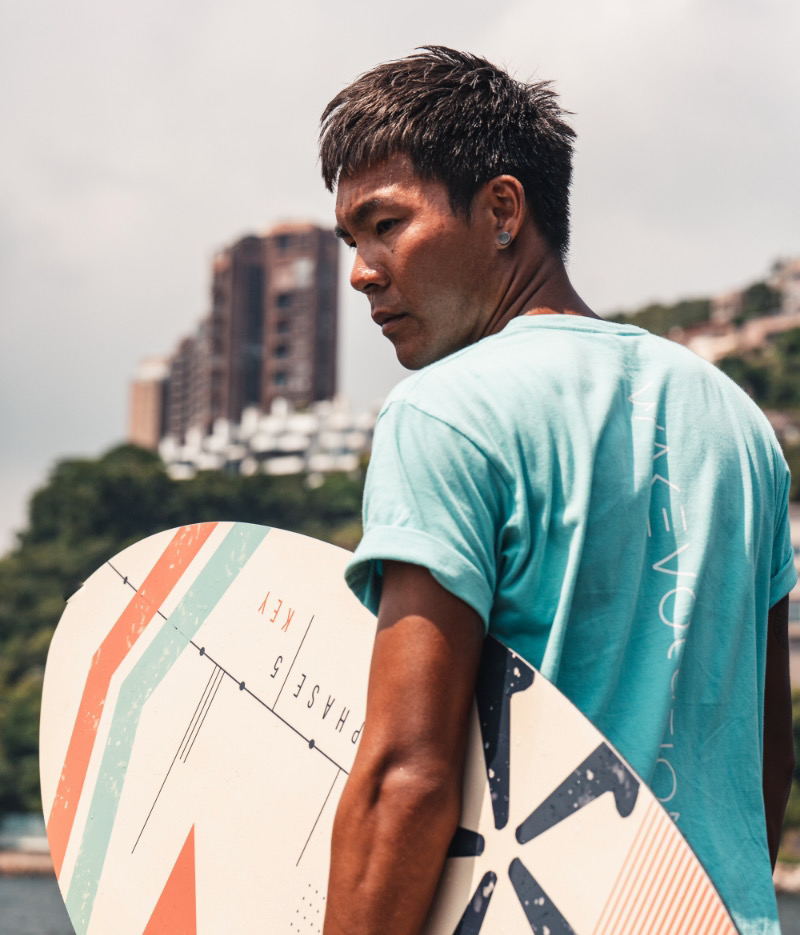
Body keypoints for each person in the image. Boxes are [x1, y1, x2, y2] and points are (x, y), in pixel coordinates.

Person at [317, 46, 796, 935]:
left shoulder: (445, 412)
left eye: (386, 225)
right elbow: (762, 765)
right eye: (353, 241)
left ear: (503, 209)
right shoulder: (740, 427)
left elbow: (406, 778)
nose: (363, 271)